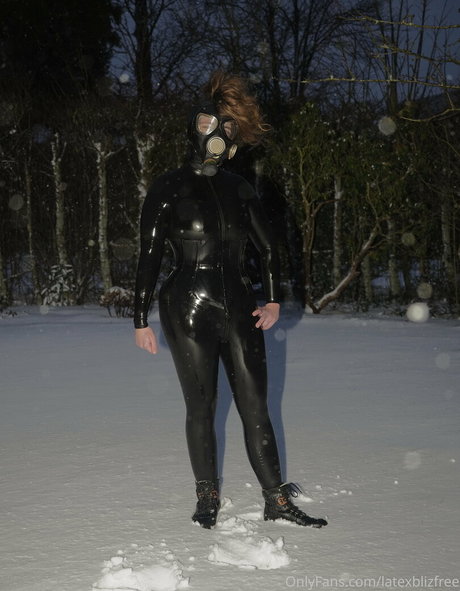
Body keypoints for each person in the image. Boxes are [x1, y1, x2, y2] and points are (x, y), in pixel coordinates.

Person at [133, 71, 327, 530]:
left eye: (224, 127)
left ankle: (276, 498)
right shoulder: (168, 187)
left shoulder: (239, 188)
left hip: (240, 303)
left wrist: (274, 299)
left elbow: (270, 247)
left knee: (256, 405)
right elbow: (149, 254)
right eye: (207, 124)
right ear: (193, 127)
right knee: (201, 405)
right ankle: (207, 496)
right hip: (186, 306)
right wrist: (139, 318)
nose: (215, 135)